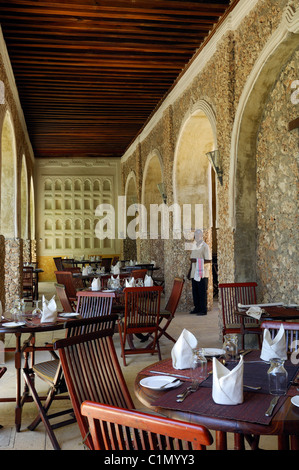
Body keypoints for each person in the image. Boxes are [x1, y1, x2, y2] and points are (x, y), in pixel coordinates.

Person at [188, 229, 212, 316]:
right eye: (195, 236)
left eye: (198, 236)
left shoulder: (205, 246)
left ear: (201, 236)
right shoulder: (194, 245)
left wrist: (196, 261)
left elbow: (208, 260)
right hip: (194, 272)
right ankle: (197, 308)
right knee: (195, 291)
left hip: (202, 273)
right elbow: (192, 260)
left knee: (202, 292)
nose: (196, 237)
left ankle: (203, 310)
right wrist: (189, 271)